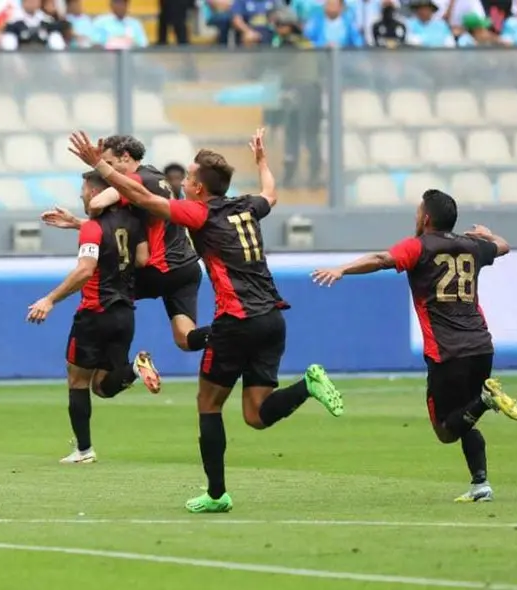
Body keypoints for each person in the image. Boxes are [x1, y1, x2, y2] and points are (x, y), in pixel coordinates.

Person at [67, 129, 344, 513]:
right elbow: (271, 194)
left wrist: (97, 165)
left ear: (197, 187)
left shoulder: (198, 213)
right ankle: (308, 384)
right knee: (256, 415)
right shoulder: (248, 207)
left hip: (236, 321)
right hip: (272, 319)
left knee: (208, 404)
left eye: (191, 179)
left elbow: (143, 197)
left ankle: (217, 495)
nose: (186, 183)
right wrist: (262, 161)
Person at [310, 190, 517, 503]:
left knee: (445, 429)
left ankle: (486, 399)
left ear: (426, 217)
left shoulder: (419, 247)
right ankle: (481, 484)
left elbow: (383, 259)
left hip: (447, 351)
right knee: (465, 416)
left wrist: (343, 269)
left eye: (418, 210)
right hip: (480, 346)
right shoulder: (471, 245)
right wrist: (490, 235)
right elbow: (503, 246)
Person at [27, 171, 158, 464]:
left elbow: (85, 270)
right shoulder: (135, 223)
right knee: (102, 386)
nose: (82, 196)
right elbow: (142, 260)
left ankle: (84, 450)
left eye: (85, 190)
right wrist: (78, 223)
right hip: (125, 313)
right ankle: (135, 369)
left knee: (78, 380)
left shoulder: (94, 228)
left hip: (95, 313)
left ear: (97, 192)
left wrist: (49, 299)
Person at [41, 136, 211, 354]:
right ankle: (230, 333)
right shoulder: (158, 178)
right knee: (186, 339)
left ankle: (110, 364)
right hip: (186, 269)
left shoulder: (138, 179)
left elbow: (96, 203)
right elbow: (131, 228)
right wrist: (77, 223)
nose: (107, 173)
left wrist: (91, 212)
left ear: (126, 157)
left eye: (109, 164)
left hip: (159, 269)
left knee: (102, 292)